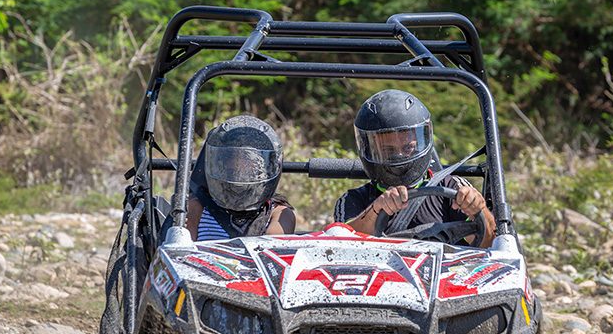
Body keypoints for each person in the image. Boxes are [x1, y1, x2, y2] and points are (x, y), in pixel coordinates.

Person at [334, 89, 496, 247]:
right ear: (368, 150)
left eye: (408, 148)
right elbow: (341, 244)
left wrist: (478, 209)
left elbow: (490, 244)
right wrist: (376, 209)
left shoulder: (453, 187)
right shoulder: (353, 199)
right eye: (388, 151)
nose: (399, 157)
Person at [187, 115, 295, 240]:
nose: (239, 167)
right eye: (232, 158)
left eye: (248, 160)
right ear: (221, 164)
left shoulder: (278, 213)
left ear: (264, 168)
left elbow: (271, 247)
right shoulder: (197, 207)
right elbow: (183, 249)